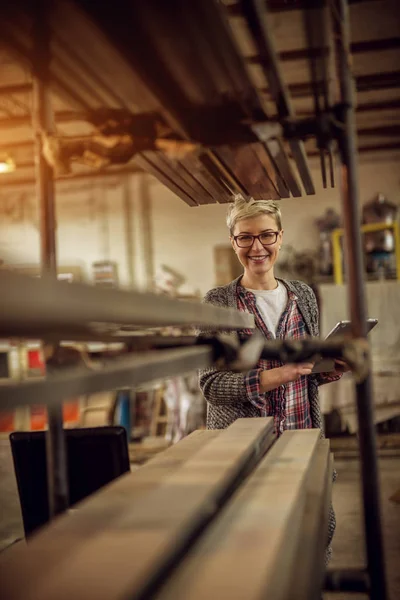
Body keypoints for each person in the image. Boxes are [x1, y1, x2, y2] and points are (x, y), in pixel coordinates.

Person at [199, 195, 348, 562]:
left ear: (280, 238)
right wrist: (273, 376)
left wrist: (327, 369)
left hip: (301, 441)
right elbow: (212, 387)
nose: (257, 247)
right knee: (249, 550)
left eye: (266, 235)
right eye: (245, 238)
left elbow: (303, 377)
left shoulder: (303, 296)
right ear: (234, 242)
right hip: (244, 451)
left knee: (313, 537)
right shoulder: (219, 302)